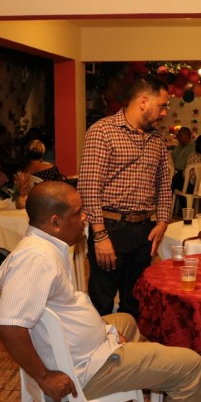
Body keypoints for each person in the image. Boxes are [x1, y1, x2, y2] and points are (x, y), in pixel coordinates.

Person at [0, 182, 201, 402]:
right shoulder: (36, 259)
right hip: (85, 368)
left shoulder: (42, 245)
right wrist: (44, 376)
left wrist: (105, 330)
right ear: (55, 222)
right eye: (78, 212)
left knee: (126, 322)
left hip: (76, 349)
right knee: (190, 366)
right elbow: (8, 324)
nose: (85, 216)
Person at [78, 74, 172, 319]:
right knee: (102, 299)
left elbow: (164, 185)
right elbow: (89, 186)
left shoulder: (157, 139)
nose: (164, 113)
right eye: (162, 105)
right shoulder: (103, 131)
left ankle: (129, 342)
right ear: (143, 102)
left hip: (144, 230)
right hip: (111, 227)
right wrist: (100, 235)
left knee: (136, 299)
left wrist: (163, 221)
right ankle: (99, 343)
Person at [170, 127, 195, 192]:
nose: (177, 137)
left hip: (185, 176)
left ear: (186, 136)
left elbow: (188, 166)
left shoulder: (193, 148)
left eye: (180, 135)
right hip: (175, 173)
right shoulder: (177, 148)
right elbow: (170, 159)